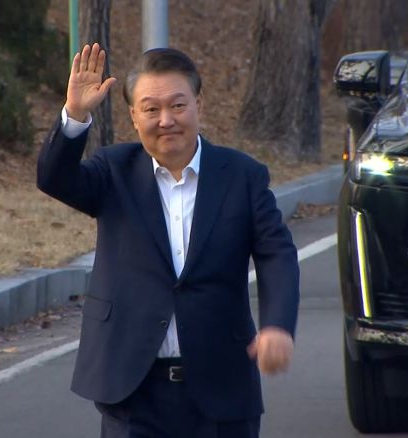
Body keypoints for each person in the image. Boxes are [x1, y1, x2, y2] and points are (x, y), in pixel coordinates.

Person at [37, 43, 300, 438]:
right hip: (133, 390)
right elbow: (54, 179)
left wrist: (277, 324)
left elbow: (276, 253)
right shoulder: (113, 171)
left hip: (221, 387)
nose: (166, 120)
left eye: (178, 106)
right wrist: (75, 115)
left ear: (198, 105)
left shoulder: (242, 175)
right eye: (151, 109)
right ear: (133, 116)